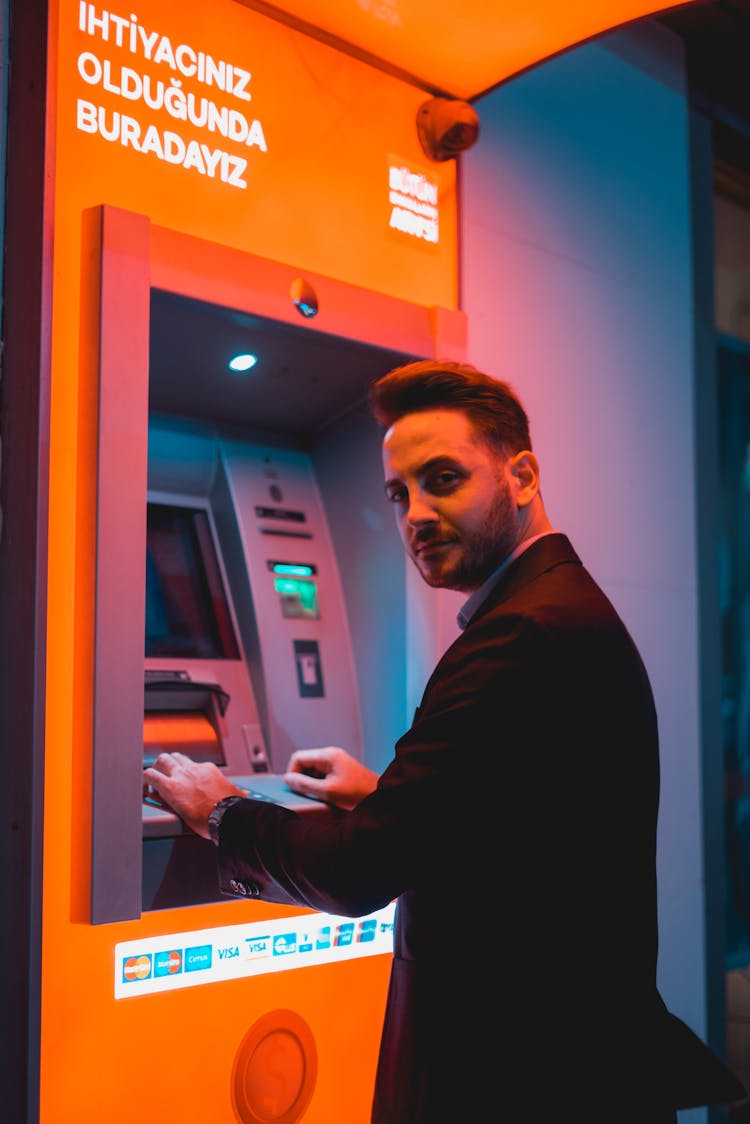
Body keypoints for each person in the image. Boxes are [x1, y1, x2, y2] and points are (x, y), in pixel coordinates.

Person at [143, 360, 744, 1123]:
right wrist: (380, 795)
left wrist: (221, 809)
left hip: (514, 1082)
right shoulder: (559, 608)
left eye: (443, 479)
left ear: (521, 475)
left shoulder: (521, 635)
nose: (416, 514)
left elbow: (361, 869)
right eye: (399, 494)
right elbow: (529, 816)